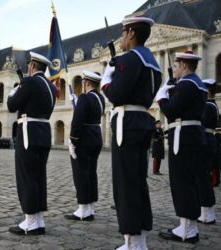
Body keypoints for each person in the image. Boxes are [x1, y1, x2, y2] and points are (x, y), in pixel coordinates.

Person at [100, 16, 162, 249]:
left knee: (125, 183)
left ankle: (132, 241)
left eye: (124, 33)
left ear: (132, 34)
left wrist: (108, 77)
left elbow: (115, 95)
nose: (122, 39)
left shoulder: (131, 59)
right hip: (142, 122)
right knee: (138, 182)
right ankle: (140, 237)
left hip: (126, 123)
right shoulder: (152, 61)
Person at [156, 51, 206, 244]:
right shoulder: (197, 84)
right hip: (191, 136)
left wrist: (162, 96)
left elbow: (170, 111)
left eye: (176, 66)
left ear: (184, 66)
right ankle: (188, 226)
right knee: (189, 183)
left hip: (184, 138)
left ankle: (186, 231)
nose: (174, 69)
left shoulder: (186, 84)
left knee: (182, 183)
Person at [7, 51, 56, 235]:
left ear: (32, 66)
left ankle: (29, 221)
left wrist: (15, 89)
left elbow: (12, 105)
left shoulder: (28, 82)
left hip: (28, 133)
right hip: (43, 132)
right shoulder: (51, 87)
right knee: (39, 177)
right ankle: (39, 220)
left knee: (26, 177)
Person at [65, 70, 105, 221]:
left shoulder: (84, 97)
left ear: (87, 83)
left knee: (80, 173)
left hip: (83, 138)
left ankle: (83, 208)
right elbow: (90, 114)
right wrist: (78, 103)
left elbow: (77, 121)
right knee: (91, 173)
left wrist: (72, 140)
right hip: (95, 136)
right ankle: (90, 207)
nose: (82, 85)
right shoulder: (100, 98)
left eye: (82, 83)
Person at [197, 78, 218, 224]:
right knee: (205, 177)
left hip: (205, 141)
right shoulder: (212, 105)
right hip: (209, 140)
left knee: (202, 178)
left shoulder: (207, 106)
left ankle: (206, 213)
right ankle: (207, 211)